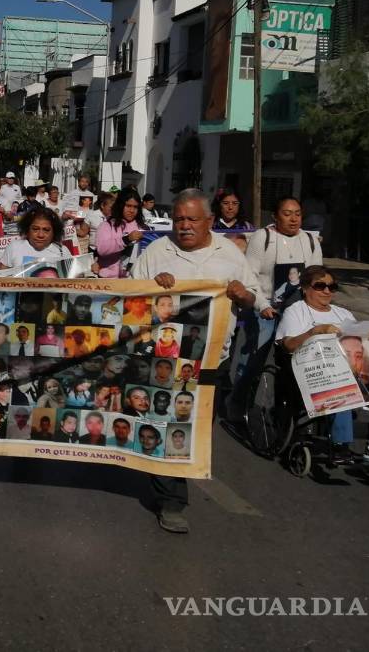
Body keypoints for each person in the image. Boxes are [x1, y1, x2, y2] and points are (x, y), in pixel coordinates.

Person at [132, 188, 262, 535]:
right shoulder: (156, 251)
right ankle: (171, 501)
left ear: (209, 221)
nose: (184, 226)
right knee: (166, 421)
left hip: (211, 361)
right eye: (178, 219)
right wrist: (151, 286)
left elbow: (254, 297)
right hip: (165, 359)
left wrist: (243, 295)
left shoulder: (230, 254)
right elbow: (130, 298)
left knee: (197, 427)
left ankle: (171, 475)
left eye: (191, 219)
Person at [275, 265, 369, 468]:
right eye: (320, 286)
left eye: (332, 286)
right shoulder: (296, 311)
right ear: (305, 288)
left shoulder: (342, 313)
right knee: (341, 378)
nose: (327, 291)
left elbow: (357, 340)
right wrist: (314, 332)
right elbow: (288, 344)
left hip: (349, 367)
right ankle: (340, 443)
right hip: (314, 371)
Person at [237, 196, 324, 391]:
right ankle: (239, 405)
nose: (293, 219)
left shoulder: (311, 241)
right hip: (265, 309)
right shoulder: (263, 237)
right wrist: (263, 305)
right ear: (275, 216)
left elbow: (317, 279)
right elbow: (248, 277)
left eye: (297, 214)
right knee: (253, 360)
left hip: (297, 311)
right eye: (287, 214)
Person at [0, 208, 70, 272]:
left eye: (46, 230)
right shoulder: (14, 247)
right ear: (27, 229)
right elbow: (1, 279)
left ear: (54, 232)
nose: (40, 235)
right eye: (35, 229)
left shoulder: (63, 251)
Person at [94, 188, 144, 278]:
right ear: (120, 205)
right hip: (109, 280)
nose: (132, 210)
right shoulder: (107, 225)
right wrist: (125, 240)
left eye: (135, 207)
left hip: (134, 280)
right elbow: (101, 249)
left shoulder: (143, 227)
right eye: (128, 206)